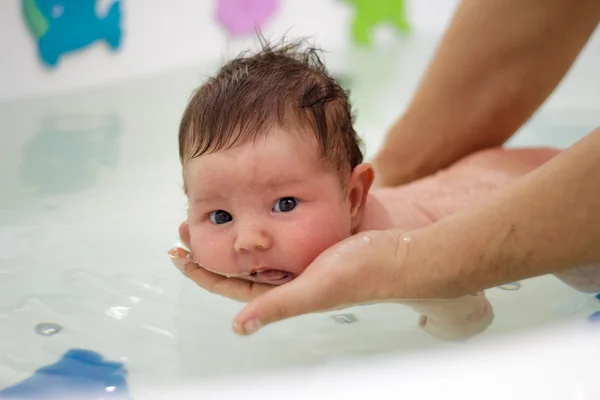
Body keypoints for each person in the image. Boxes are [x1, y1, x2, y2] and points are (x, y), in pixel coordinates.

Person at [169, 0, 600, 336]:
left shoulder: (383, 245)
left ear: (354, 197)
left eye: (284, 204)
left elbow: (470, 318)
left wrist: (438, 326)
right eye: (220, 216)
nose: (249, 240)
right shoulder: (329, 225)